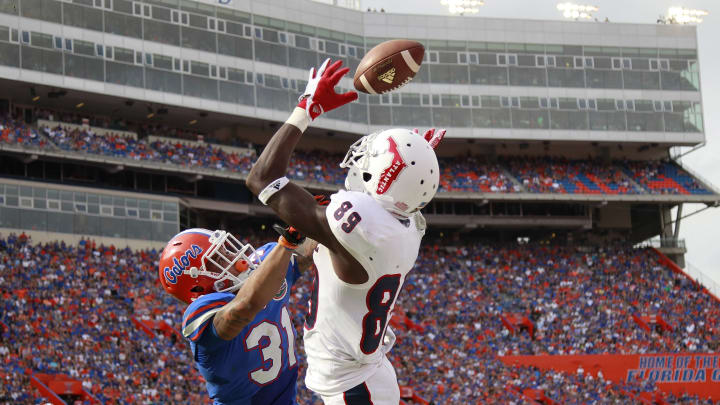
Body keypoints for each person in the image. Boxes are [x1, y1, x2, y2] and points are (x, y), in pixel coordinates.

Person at [246, 59, 445, 404]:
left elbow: (262, 179)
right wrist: (415, 164)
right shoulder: (407, 225)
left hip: (355, 390)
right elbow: (391, 199)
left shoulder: (361, 222)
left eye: (371, 158)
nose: (360, 159)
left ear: (382, 177)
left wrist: (307, 108)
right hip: (362, 379)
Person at [157, 226, 315, 405]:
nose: (233, 257)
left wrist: (319, 216)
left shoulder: (264, 262)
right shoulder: (201, 312)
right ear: (198, 287)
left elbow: (309, 250)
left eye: (226, 250)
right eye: (218, 259)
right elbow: (243, 308)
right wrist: (287, 244)